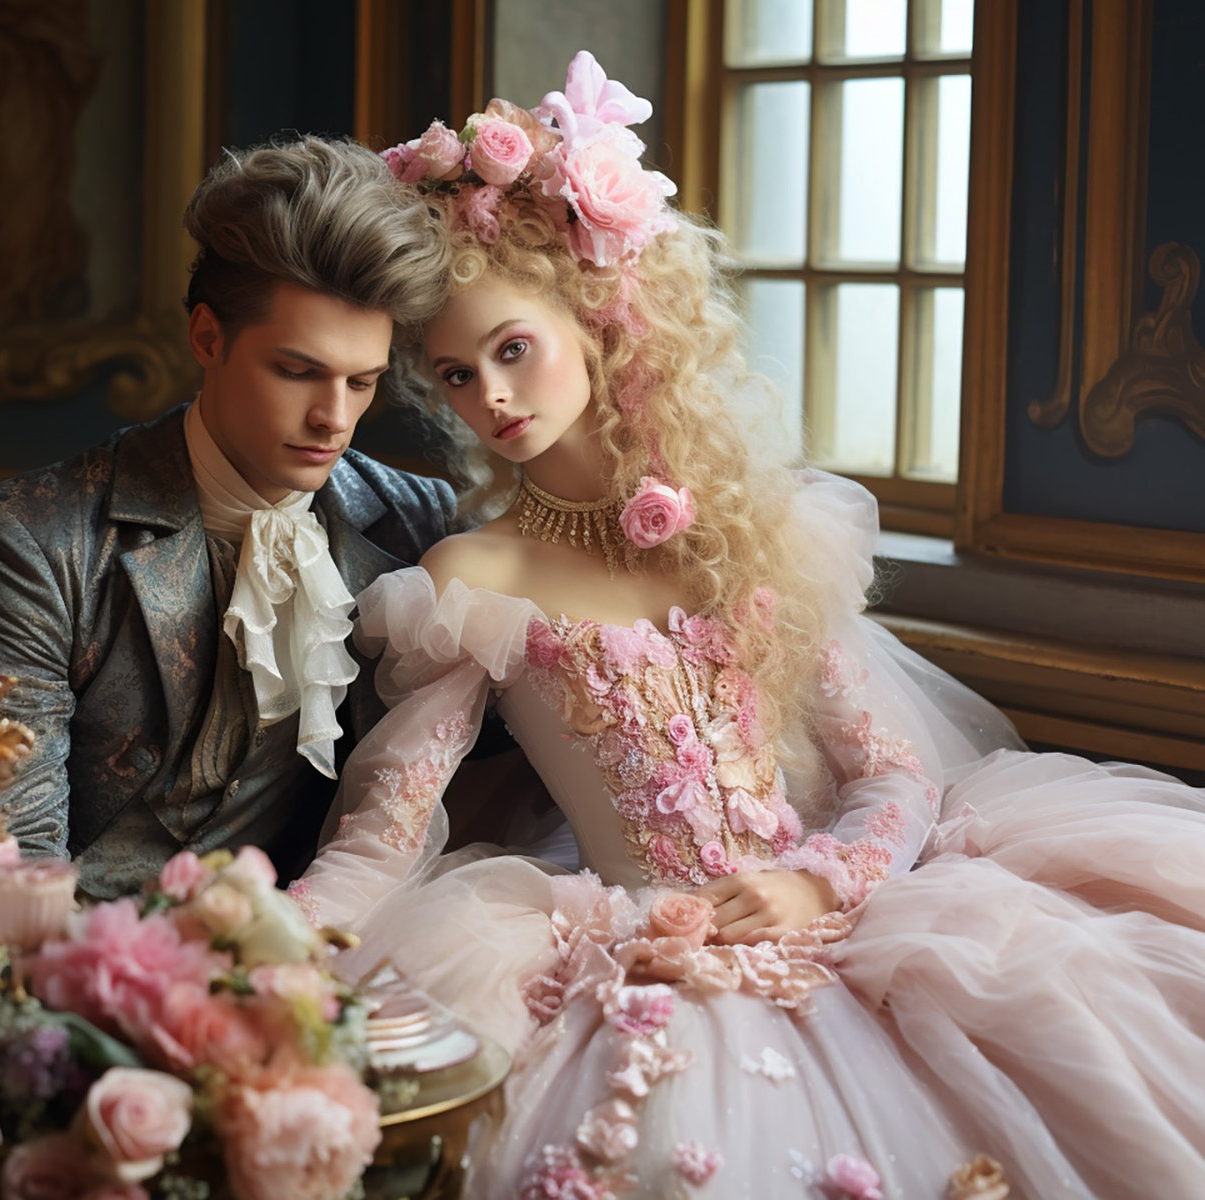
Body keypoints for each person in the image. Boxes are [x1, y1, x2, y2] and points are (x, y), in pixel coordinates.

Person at [293, 53, 1205, 1198]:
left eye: (512, 350)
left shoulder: (743, 530)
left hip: (853, 918)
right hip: (649, 952)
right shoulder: (474, 576)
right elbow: (384, 833)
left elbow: (893, 777)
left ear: (594, 317)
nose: (493, 400)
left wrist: (815, 884)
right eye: (455, 376)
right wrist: (262, 945)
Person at [0, 137, 459, 899]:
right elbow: (12, 865)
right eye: (296, 371)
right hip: (70, 976)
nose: (332, 419)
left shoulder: (415, 526)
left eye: (362, 382)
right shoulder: (38, 541)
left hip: (310, 967)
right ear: (207, 338)